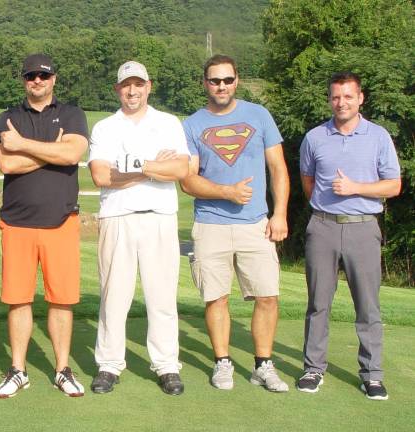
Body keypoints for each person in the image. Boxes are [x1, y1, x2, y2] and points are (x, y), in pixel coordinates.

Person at [180, 54, 290, 392]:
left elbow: (278, 169)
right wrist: (227, 192)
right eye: (214, 80)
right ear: (205, 83)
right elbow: (187, 180)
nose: (221, 86)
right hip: (210, 224)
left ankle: (263, 364)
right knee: (216, 298)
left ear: (237, 80)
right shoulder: (192, 124)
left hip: (255, 223)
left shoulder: (259, 116)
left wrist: (280, 213)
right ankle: (222, 362)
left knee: (267, 295)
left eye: (227, 80)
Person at [88, 61, 190, 395]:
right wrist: (153, 167)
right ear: (117, 89)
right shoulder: (105, 127)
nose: (132, 91)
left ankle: (166, 365)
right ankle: (109, 364)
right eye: (126, 85)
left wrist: (136, 166)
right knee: (114, 297)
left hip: (159, 215)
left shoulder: (168, 123)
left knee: (161, 296)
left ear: (149, 86)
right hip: (117, 217)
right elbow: (102, 176)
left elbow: (180, 168)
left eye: (139, 84)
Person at [297, 72, 401, 400]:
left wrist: (356, 188)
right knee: (318, 303)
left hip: (363, 227)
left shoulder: (379, 136)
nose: (341, 103)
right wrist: (325, 207)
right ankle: (313, 369)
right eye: (335, 97)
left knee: (368, 305)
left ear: (360, 99)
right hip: (323, 226)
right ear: (329, 99)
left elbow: (393, 185)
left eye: (347, 96)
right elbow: (308, 182)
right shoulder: (315, 137)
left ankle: (371, 374)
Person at [0, 53, 89, 398]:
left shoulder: (73, 113)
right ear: (23, 80)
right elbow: (7, 163)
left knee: (61, 300)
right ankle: (18, 370)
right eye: (31, 76)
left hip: (61, 220)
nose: (37, 81)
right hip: (16, 222)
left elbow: (72, 155)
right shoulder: (7, 117)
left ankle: (62, 369)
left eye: (43, 76)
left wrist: (24, 146)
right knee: (18, 300)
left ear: (54, 79)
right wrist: (51, 150)